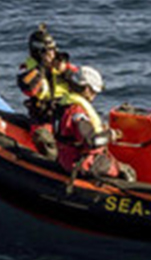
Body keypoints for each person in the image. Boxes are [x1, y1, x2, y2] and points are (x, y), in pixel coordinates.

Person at [54, 65, 134, 181]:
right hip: (80, 163)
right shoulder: (77, 112)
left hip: (65, 157)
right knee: (126, 171)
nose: (95, 95)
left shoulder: (66, 102)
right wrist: (110, 135)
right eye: (94, 91)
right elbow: (93, 141)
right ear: (86, 89)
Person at [16, 23, 77, 159]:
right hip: (43, 119)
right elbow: (28, 89)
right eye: (47, 51)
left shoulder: (62, 66)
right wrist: (43, 68)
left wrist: (65, 71)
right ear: (38, 52)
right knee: (43, 139)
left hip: (66, 117)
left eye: (53, 50)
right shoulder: (28, 69)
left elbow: (84, 85)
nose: (52, 54)